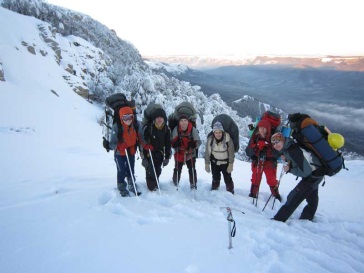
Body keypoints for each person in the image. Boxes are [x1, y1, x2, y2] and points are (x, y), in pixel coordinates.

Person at [271, 132, 324, 222]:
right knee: (312, 196)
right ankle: (307, 217)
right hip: (317, 173)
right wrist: (287, 160)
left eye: (277, 141)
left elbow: (305, 172)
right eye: (273, 143)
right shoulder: (288, 148)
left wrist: (289, 169)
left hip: (313, 176)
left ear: (283, 140)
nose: (275, 145)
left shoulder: (293, 150)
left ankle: (278, 220)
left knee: (294, 196)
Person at [109, 106, 142, 197]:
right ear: (121, 118)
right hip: (120, 153)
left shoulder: (135, 126)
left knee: (131, 169)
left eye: (130, 117)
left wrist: (145, 145)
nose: (128, 120)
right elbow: (111, 144)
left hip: (130, 152)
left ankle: (131, 185)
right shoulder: (117, 127)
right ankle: (122, 187)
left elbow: (140, 137)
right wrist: (119, 146)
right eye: (125, 117)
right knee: (121, 171)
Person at [246, 119, 281, 201]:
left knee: (271, 180)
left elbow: (278, 154)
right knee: (255, 179)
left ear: (268, 129)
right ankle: (253, 194)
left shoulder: (274, 138)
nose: (262, 130)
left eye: (264, 128)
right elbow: (248, 152)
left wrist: (269, 146)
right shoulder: (255, 138)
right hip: (257, 161)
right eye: (260, 127)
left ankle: (276, 195)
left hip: (270, 163)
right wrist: (256, 146)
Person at [142, 108, 171, 191]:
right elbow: (144, 143)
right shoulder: (149, 128)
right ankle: (151, 185)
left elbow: (168, 144)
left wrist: (167, 157)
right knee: (150, 169)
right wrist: (144, 157)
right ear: (154, 119)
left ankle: (155, 182)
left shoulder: (166, 129)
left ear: (164, 119)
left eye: (161, 117)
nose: (159, 119)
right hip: (149, 152)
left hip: (160, 153)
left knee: (158, 169)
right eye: (157, 117)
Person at [171, 114, 201, 189]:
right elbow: (171, 142)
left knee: (192, 168)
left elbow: (198, 142)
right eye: (181, 121)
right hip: (179, 152)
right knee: (177, 168)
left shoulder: (192, 129)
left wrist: (194, 145)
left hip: (190, 152)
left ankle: (193, 184)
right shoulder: (176, 129)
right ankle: (175, 182)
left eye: (185, 120)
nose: (183, 123)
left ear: (188, 121)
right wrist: (175, 144)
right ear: (179, 122)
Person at [204, 121, 235, 194]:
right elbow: (207, 152)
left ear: (222, 132)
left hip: (225, 162)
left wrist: (231, 163)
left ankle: (230, 190)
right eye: (216, 132)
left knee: (227, 178)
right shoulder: (211, 140)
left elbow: (231, 152)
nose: (218, 134)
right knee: (215, 177)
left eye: (219, 132)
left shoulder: (227, 139)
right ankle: (215, 189)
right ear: (213, 133)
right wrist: (207, 164)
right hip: (215, 162)